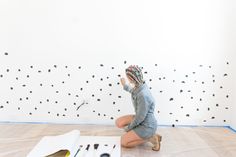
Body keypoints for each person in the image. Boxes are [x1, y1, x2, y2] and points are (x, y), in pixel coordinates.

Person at [115, 65, 162, 151]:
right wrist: (125, 85)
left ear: (131, 78)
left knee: (123, 142)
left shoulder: (143, 95)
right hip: (142, 118)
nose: (127, 79)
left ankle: (151, 137)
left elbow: (140, 117)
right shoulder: (140, 85)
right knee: (118, 122)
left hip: (147, 125)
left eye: (127, 77)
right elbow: (133, 91)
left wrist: (129, 128)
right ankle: (139, 133)